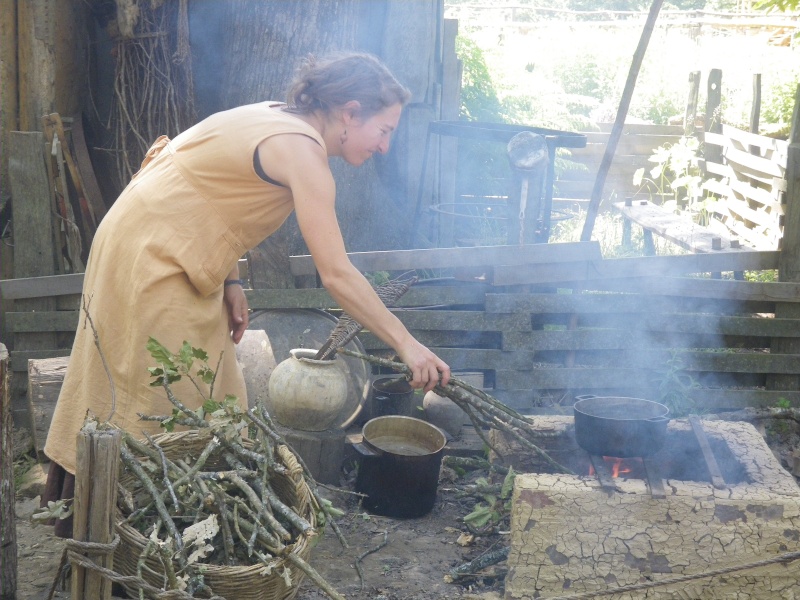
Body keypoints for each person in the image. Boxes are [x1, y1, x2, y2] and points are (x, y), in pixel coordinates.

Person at [42, 52, 451, 537]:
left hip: (154, 241)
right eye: (384, 130)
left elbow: (207, 191)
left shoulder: (277, 116)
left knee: (218, 392)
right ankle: (126, 537)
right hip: (151, 255)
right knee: (163, 394)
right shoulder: (303, 152)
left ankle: (195, 536)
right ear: (350, 112)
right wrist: (407, 344)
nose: (385, 146)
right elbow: (337, 275)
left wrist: (230, 279)